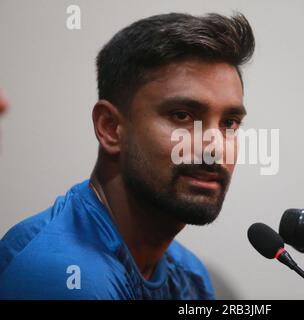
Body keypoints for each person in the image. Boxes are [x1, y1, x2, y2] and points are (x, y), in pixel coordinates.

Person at [0, 12, 255, 299]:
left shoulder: (189, 275)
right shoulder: (65, 277)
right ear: (110, 128)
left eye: (229, 123)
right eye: (182, 116)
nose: (215, 148)